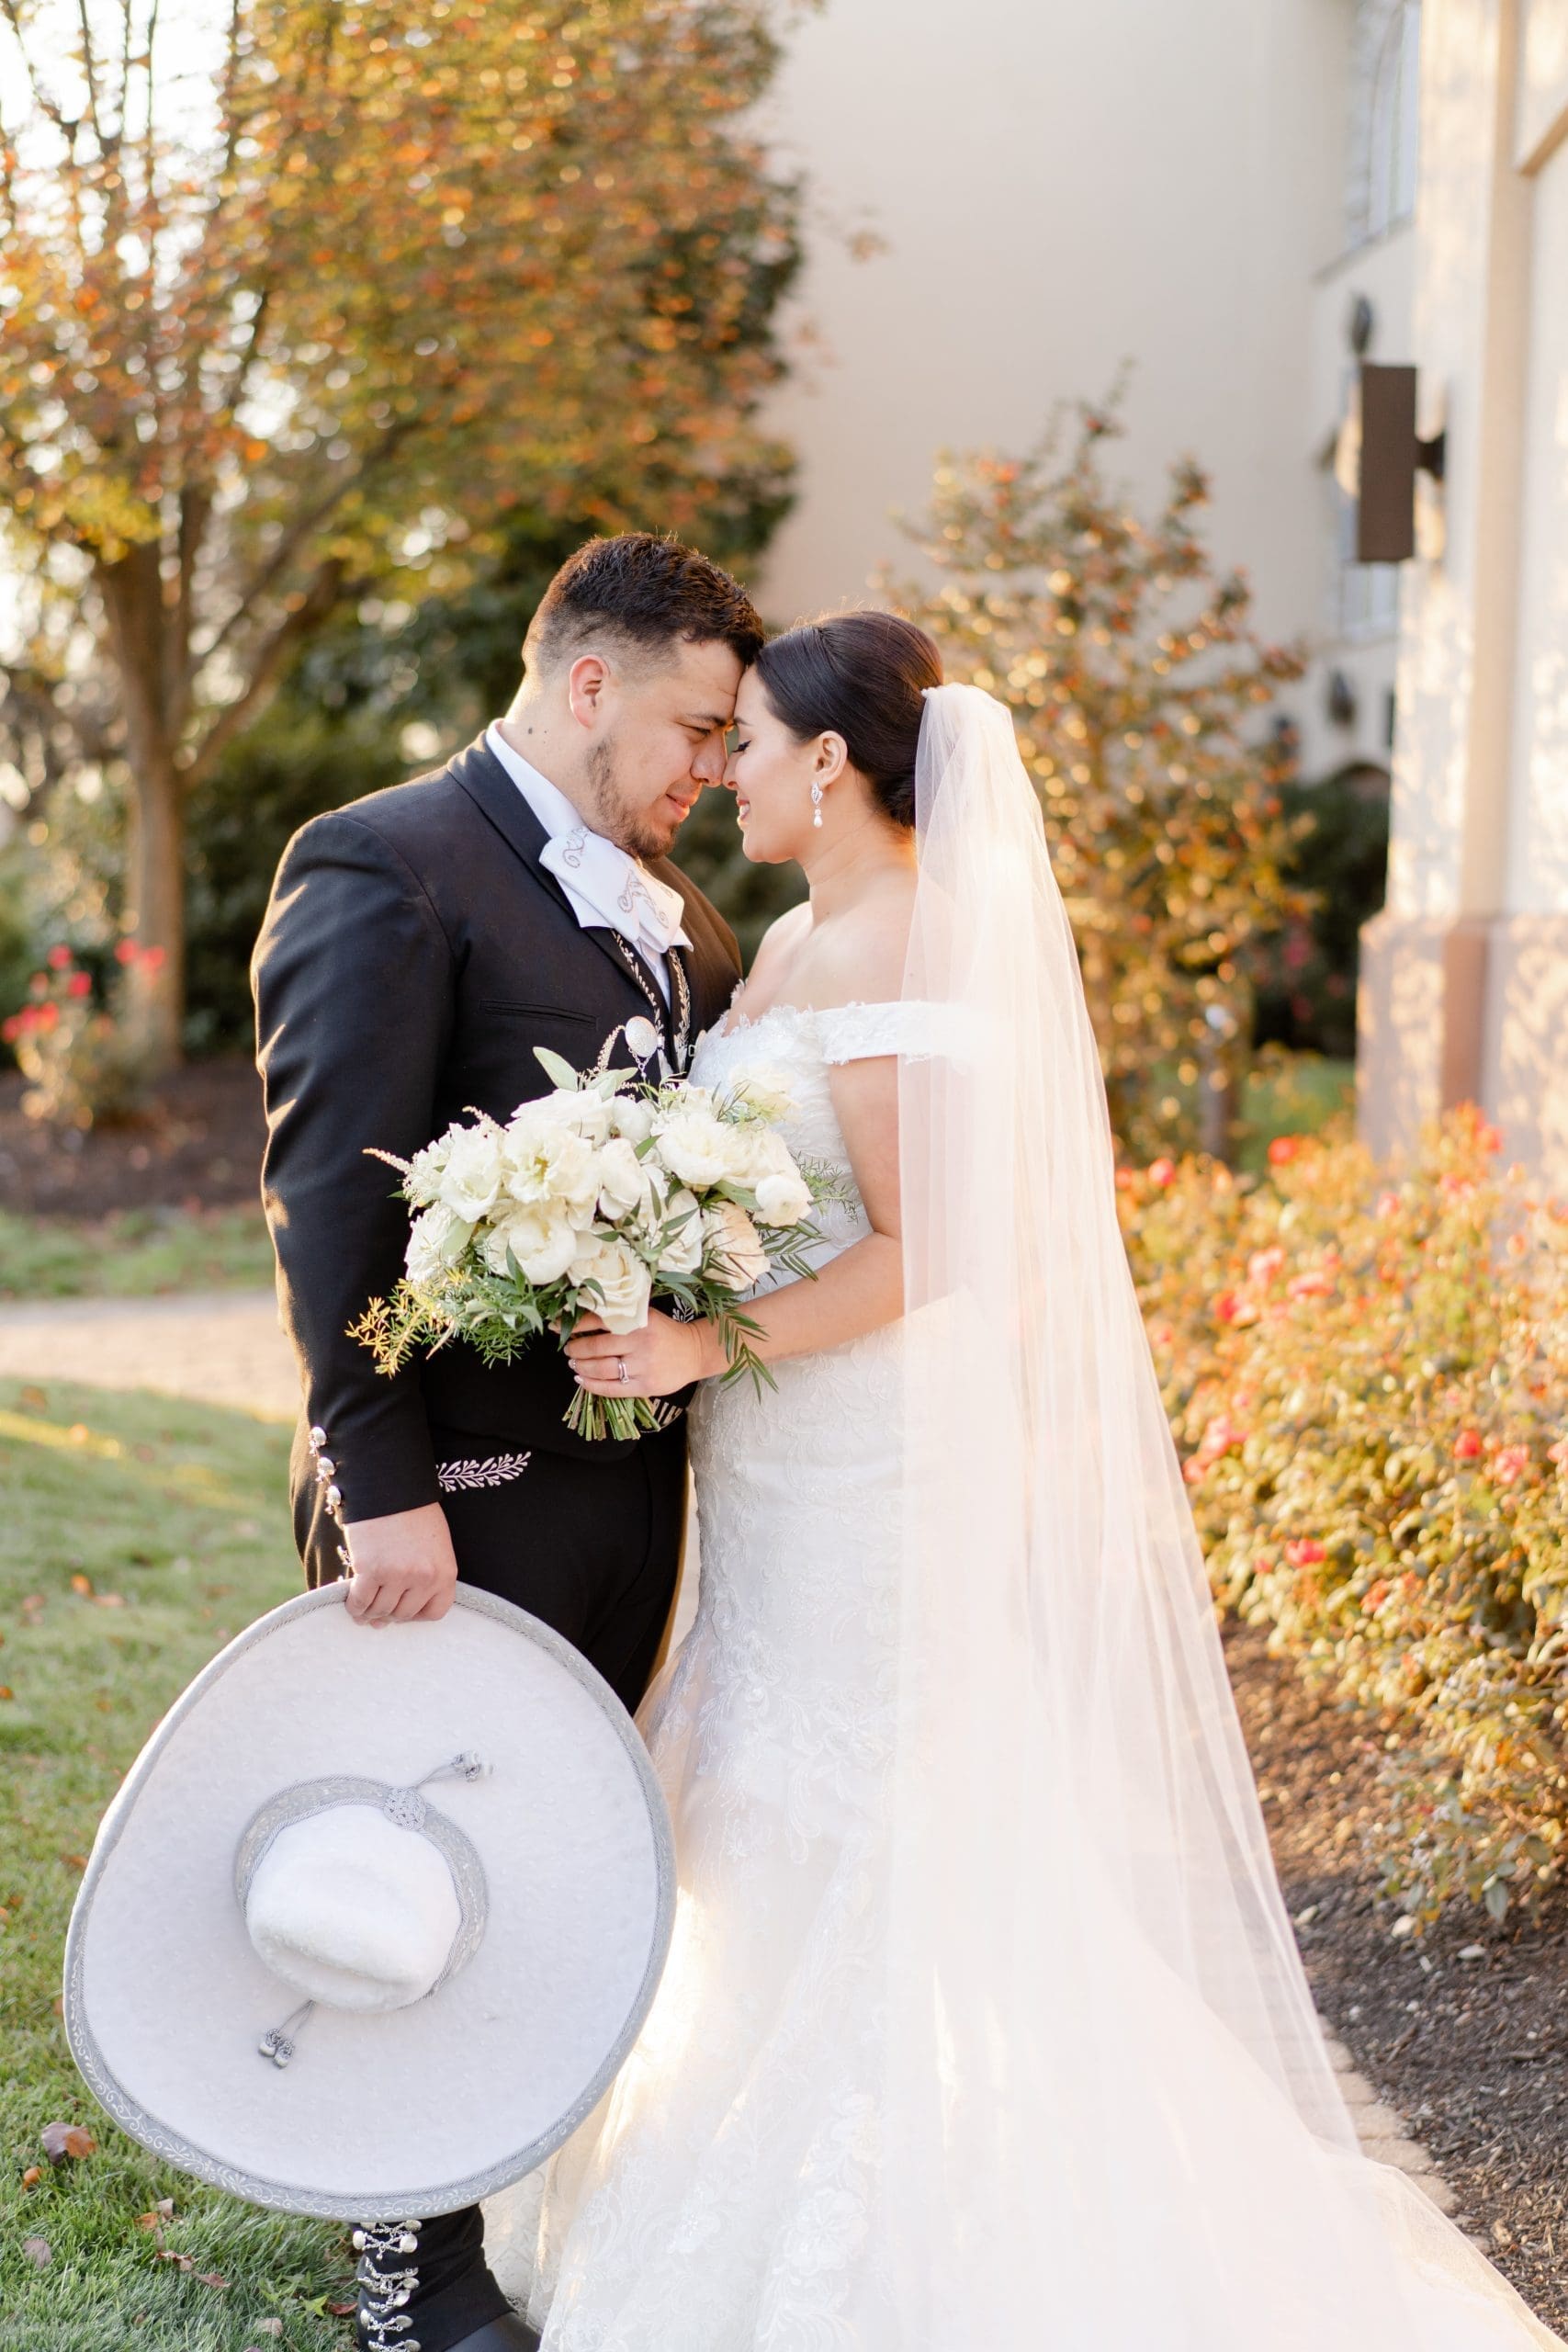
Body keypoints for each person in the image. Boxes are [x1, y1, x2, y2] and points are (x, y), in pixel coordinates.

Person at [541, 612, 1563, 2349]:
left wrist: (715, 1345)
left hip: (864, 1463)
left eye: (754, 742)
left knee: (873, 1815)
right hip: (778, 1466)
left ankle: (910, 2232)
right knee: (765, 1798)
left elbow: (932, 1254)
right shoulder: (792, 940)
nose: (727, 775)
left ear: (834, 764)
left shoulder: (901, 949)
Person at [251, 532, 761, 2352]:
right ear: (589, 679)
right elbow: (329, 1207)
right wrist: (380, 1488)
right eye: (698, 726)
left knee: (549, 1861)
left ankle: (502, 2198)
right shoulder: (386, 861)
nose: (715, 765)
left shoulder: (681, 920)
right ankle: (410, 2273)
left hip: (639, 1492)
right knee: (423, 1869)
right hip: (452, 1500)